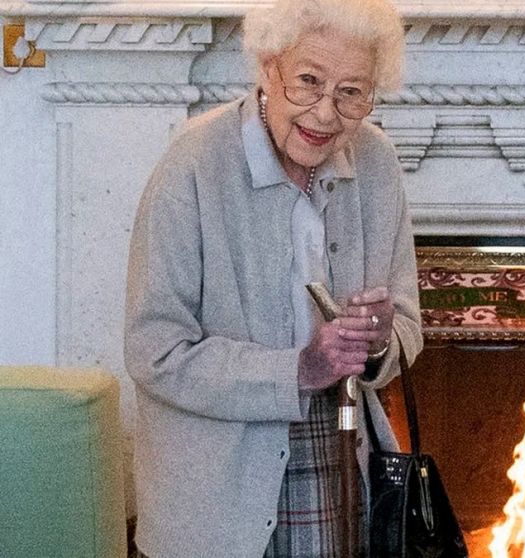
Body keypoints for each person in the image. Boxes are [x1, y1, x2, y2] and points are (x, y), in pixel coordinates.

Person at [123, 0, 420, 556]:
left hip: (340, 458)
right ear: (267, 65)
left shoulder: (376, 163)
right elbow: (153, 352)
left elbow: (407, 325)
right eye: (308, 81)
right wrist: (299, 369)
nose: (327, 114)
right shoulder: (193, 164)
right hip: (217, 484)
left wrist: (380, 339)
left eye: (351, 92)